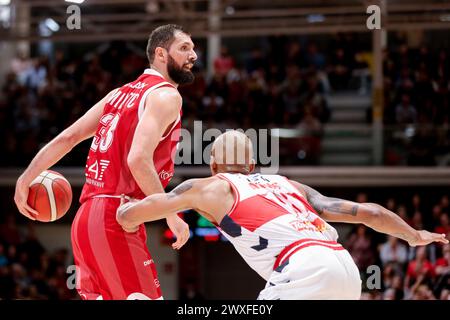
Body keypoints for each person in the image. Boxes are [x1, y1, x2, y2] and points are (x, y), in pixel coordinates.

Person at [116, 130, 448, 300]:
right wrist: (414, 236)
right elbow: (370, 213)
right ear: (250, 166)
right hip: (346, 269)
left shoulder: (211, 186)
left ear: (214, 166)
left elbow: (145, 210)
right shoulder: (288, 184)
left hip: (303, 269)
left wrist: (123, 211)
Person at [14, 24, 197, 300]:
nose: (193, 55)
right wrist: (171, 213)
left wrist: (25, 178)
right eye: (184, 48)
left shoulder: (118, 94)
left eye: (193, 48)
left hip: (86, 218)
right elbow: (138, 159)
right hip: (117, 217)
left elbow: (69, 137)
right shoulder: (167, 96)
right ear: (161, 54)